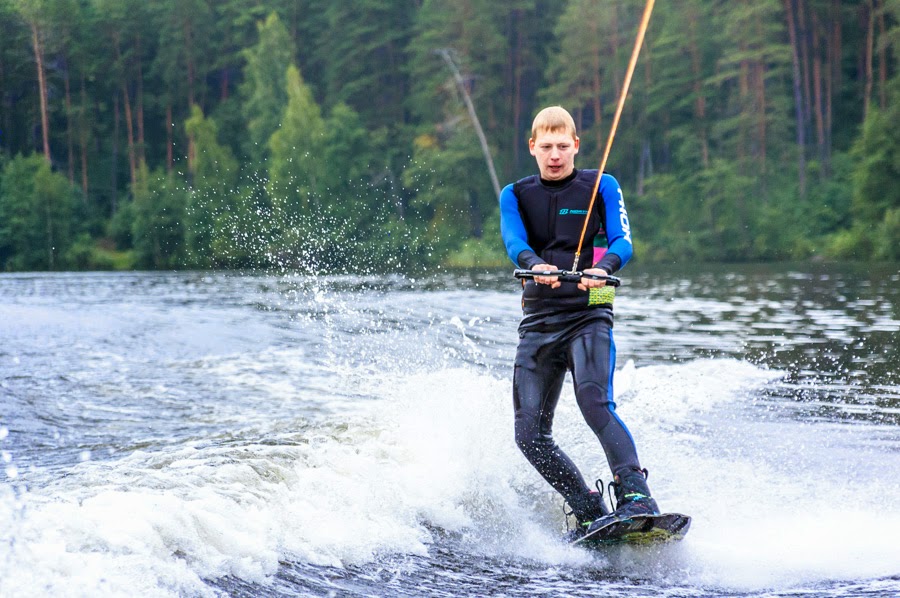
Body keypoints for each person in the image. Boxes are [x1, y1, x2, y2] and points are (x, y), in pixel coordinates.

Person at [499, 106, 658, 540]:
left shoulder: (602, 185)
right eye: (546, 147)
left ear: (576, 145)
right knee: (528, 434)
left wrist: (604, 266)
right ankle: (588, 508)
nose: (555, 155)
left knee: (594, 403)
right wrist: (534, 264)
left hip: (592, 308)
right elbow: (514, 240)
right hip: (539, 318)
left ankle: (637, 495)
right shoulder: (513, 193)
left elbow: (624, 240)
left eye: (563, 146)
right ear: (532, 147)